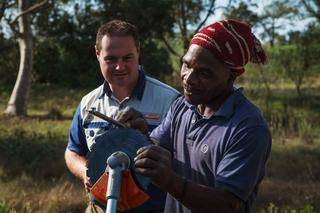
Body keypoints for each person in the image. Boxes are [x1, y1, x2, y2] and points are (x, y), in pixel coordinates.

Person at [118, 19, 272, 212]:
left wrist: (170, 181)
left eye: (204, 73)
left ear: (231, 77)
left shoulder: (248, 128)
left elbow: (226, 204)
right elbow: (159, 149)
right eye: (186, 65)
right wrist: (140, 134)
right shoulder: (182, 106)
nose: (188, 78)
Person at [64, 19, 180, 212]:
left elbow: (185, 160)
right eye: (111, 59)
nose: (119, 67)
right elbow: (72, 151)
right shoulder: (88, 103)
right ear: (97, 54)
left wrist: (146, 141)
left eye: (127, 58)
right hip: (99, 207)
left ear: (138, 52)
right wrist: (86, 172)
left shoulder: (170, 100)